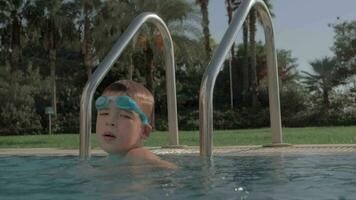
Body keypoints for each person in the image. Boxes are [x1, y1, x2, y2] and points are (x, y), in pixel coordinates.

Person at [95, 80, 177, 169]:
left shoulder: (137, 156)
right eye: (104, 113)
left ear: (144, 131)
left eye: (124, 116)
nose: (110, 122)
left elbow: (171, 171)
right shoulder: (106, 162)